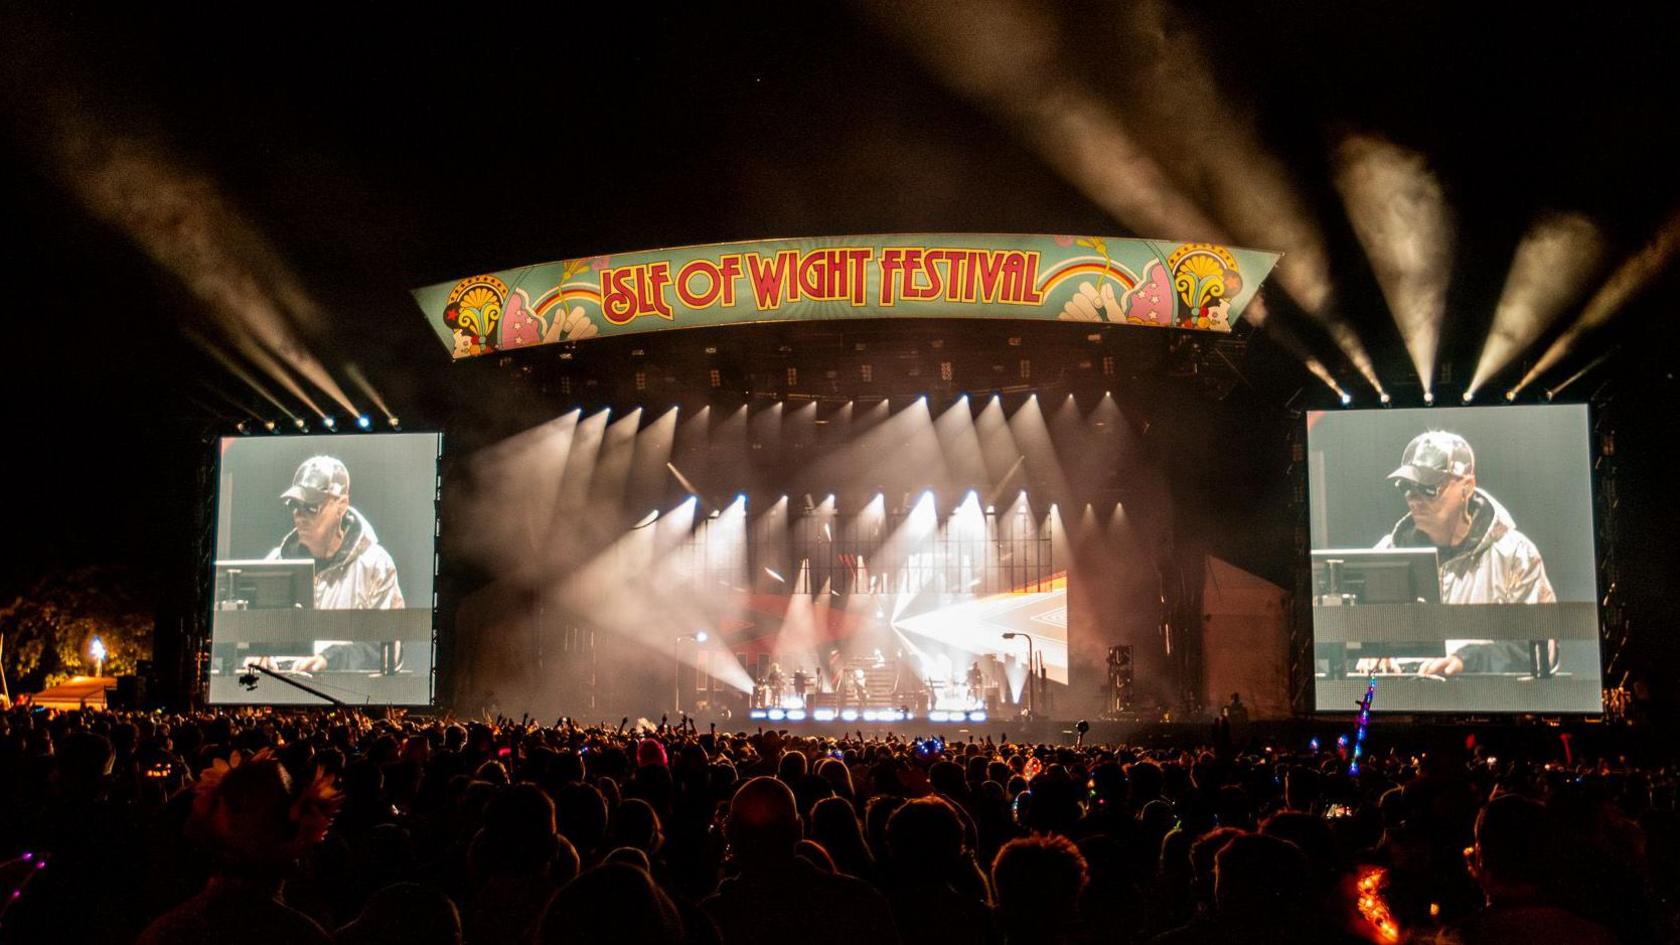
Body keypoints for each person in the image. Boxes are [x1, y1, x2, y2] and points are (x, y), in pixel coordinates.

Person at [1372, 431, 1556, 676]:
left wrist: (1466, 661)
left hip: (1484, 706)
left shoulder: (1515, 555)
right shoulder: (1387, 554)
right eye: (1406, 487)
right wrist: (1371, 650)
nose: (1413, 499)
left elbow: (1540, 648)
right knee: (1360, 713)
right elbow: (1348, 637)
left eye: (1428, 488)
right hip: (1399, 705)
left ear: (1467, 487)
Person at [266, 455, 405, 673]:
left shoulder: (375, 565)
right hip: (279, 694)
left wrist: (329, 660)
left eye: (311, 506)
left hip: (346, 700)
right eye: (294, 505)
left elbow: (388, 650)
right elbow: (254, 635)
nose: (299, 515)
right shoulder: (276, 562)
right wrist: (257, 655)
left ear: (341, 505)